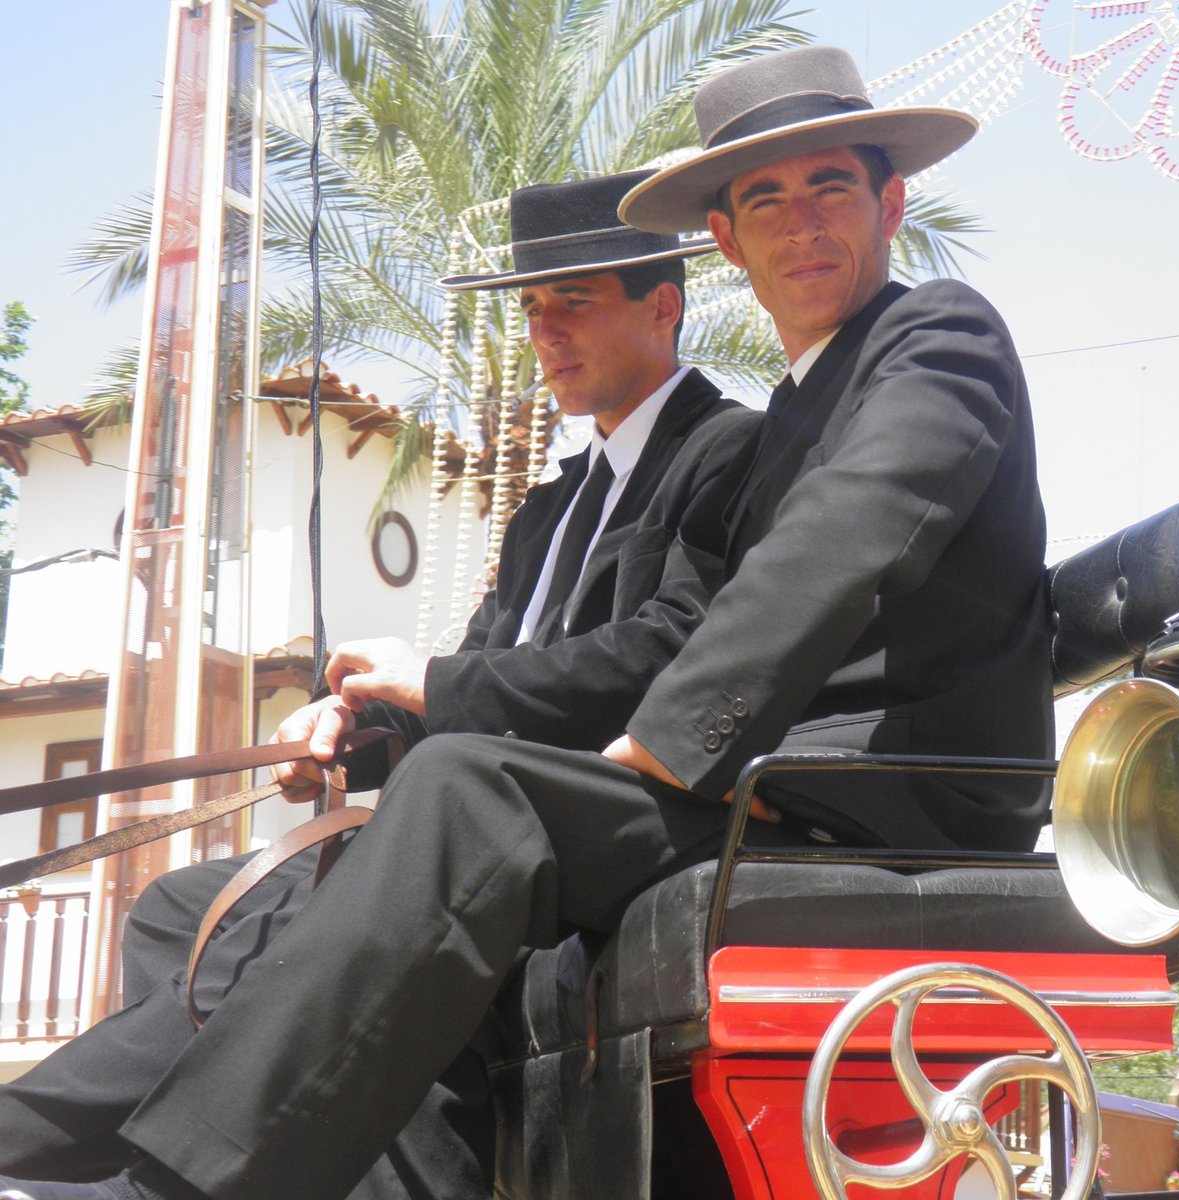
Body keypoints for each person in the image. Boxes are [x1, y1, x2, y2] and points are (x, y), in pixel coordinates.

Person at [0, 44, 1050, 1200]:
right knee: (306, 866)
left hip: (879, 799)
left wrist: (660, 744)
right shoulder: (792, 414)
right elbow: (710, 607)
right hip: (768, 787)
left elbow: (842, 538)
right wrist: (368, 732)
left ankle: (166, 1189)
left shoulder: (936, 336)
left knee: (467, 793)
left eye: (831, 188)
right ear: (726, 241)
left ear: (890, 204)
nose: (801, 225)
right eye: (766, 201)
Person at [0, 169, 757, 1198]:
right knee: (182, 907)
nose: (545, 332)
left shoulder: (725, 451)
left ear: (662, 306)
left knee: (281, 927)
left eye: (573, 303)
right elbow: (480, 681)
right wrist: (356, 732)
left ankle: (63, 1157)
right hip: (470, 802)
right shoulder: (549, 506)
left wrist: (429, 681)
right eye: (533, 307)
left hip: (572, 820)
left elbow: (666, 654)